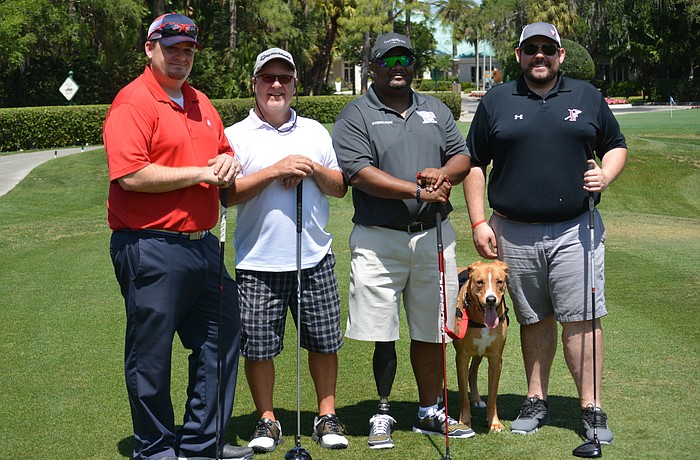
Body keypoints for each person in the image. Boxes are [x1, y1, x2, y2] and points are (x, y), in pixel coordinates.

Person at [463, 22, 627, 445]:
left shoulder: (586, 96)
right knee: (533, 319)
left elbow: (615, 144)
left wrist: (605, 175)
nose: (540, 55)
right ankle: (536, 399)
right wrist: (479, 221)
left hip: (577, 228)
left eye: (547, 48)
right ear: (518, 54)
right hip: (512, 233)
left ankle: (590, 406)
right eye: (531, 48)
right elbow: (474, 162)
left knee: (583, 319)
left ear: (560, 54)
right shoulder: (497, 99)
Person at [103, 12, 253, 460]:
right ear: (150, 49)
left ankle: (201, 443)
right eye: (171, 49)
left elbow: (225, 154)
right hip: (149, 245)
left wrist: (228, 164)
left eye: (187, 50)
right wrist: (202, 173)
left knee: (223, 335)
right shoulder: (133, 102)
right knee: (151, 352)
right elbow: (131, 174)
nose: (180, 57)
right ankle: (154, 447)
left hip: (202, 244)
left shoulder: (200, 102)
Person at [332, 32, 473, 449]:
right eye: (388, 59)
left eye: (405, 59)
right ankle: (382, 410)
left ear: (414, 65)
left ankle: (429, 409)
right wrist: (415, 190)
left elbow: (462, 155)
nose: (398, 66)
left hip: (433, 236)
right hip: (379, 239)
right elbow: (358, 172)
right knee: (382, 330)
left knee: (432, 328)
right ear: (373, 66)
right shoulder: (356, 113)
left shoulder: (434, 108)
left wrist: (443, 173)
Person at [224, 47, 349, 453]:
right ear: (255, 84)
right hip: (258, 261)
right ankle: (267, 420)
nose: (276, 85)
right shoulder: (235, 135)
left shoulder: (314, 131)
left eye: (284, 78)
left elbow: (340, 186)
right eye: (268, 78)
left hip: (313, 256)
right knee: (258, 348)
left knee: (324, 341)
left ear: (296, 85)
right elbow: (226, 196)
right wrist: (277, 169)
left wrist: (310, 168)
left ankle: (325, 415)